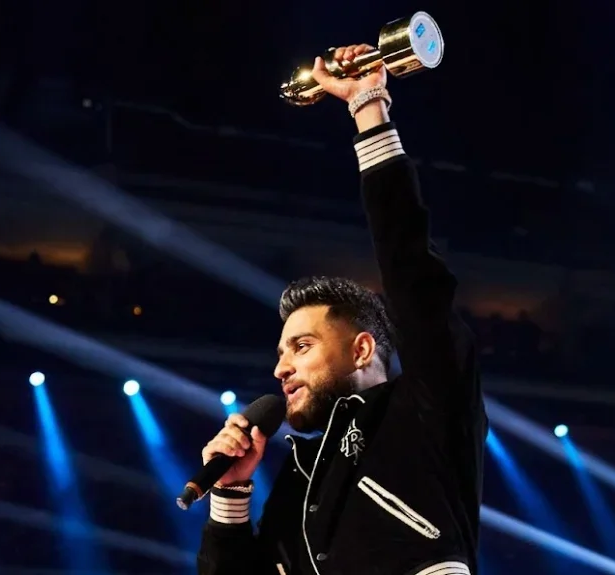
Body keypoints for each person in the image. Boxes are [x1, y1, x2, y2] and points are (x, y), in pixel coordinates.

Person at [197, 44, 486, 575]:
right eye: (281, 351)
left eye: (302, 346)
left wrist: (368, 107)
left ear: (361, 348)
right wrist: (233, 496)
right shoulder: (297, 482)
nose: (280, 367)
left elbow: (411, 271)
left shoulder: (426, 408)